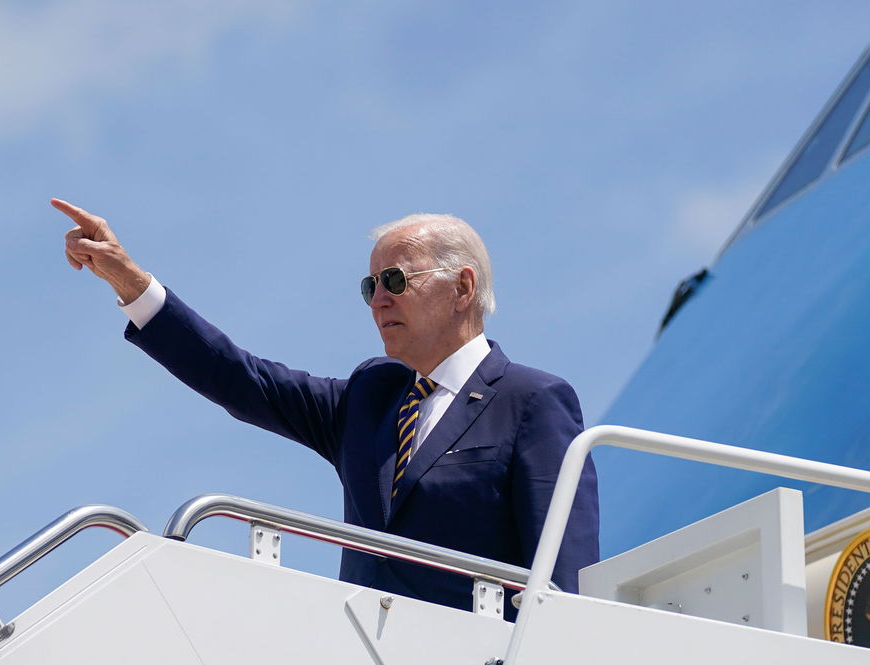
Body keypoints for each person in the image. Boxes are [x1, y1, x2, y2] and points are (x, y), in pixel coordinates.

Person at [51, 198, 599, 616]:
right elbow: (244, 379)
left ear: (462, 287)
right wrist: (131, 282)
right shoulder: (371, 398)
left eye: (395, 280)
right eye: (370, 286)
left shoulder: (532, 402)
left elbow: (564, 580)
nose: (379, 299)